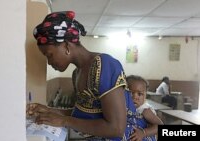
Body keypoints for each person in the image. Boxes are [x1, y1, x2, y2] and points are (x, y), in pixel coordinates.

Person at [27, 11, 142, 141]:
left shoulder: (105, 65)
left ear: (66, 46)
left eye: (49, 55)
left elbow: (116, 128)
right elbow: (82, 114)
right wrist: (49, 110)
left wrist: (64, 121)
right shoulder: (77, 74)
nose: (49, 62)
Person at [126, 75, 164, 141]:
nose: (135, 97)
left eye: (139, 94)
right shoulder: (124, 106)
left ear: (145, 95)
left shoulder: (145, 110)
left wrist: (143, 133)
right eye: (130, 93)